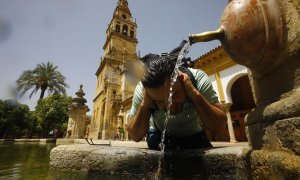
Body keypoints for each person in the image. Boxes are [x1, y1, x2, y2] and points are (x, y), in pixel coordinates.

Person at [127, 41, 227, 150]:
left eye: (173, 95)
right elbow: (135, 136)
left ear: (181, 80)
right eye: (160, 102)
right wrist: (144, 104)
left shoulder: (197, 78)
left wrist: (194, 93)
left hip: (194, 135)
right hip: (158, 136)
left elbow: (219, 127)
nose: (170, 106)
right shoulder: (141, 90)